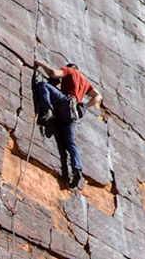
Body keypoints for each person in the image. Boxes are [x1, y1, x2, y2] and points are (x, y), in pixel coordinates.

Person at [30, 59, 100, 188]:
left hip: (65, 102)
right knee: (70, 143)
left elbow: (53, 74)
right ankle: (77, 169)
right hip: (74, 114)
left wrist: (39, 63)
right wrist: (85, 106)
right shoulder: (85, 82)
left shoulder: (70, 71)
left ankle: (48, 110)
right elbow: (98, 96)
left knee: (42, 85)